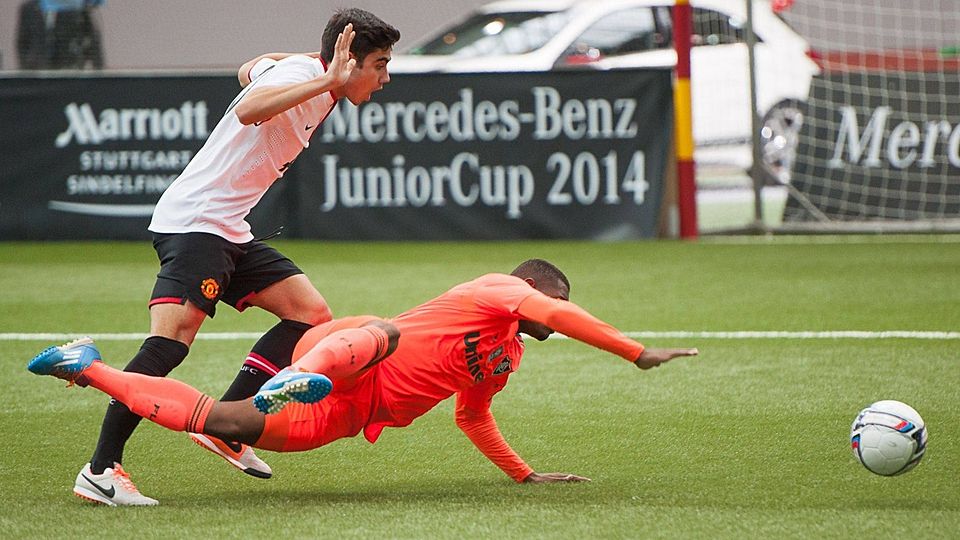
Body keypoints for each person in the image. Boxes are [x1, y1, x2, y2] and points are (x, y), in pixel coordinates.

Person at [68, 8, 401, 506]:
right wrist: (325, 72)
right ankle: (100, 469)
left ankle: (226, 424)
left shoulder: (312, 75)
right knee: (169, 345)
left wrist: (327, 67)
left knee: (309, 315)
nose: (385, 77)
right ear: (349, 62)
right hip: (196, 223)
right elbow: (251, 107)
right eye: (379, 63)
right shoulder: (306, 78)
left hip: (227, 229)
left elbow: (250, 66)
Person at [29, 259, 698, 503]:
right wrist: (633, 352)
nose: (552, 316)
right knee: (387, 331)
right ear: (532, 288)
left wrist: (524, 475)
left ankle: (87, 365)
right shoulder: (497, 289)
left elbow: (472, 415)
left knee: (226, 423)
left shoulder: (505, 357)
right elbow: (554, 310)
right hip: (350, 353)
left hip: (345, 413)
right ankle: (298, 373)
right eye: (553, 301)